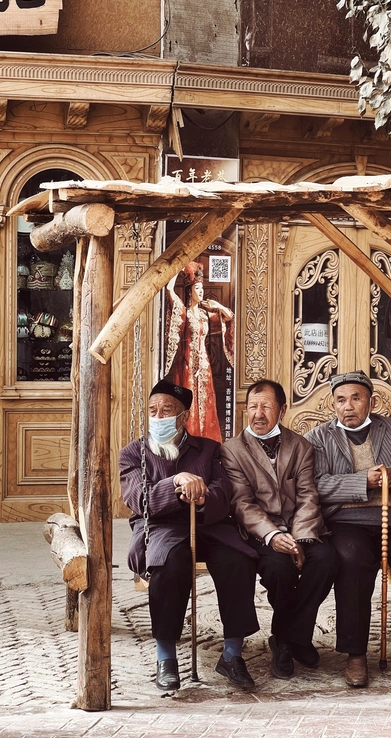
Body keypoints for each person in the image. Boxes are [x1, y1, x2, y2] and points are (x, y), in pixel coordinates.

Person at [119, 379, 259, 692]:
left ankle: (232, 654)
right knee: (171, 564)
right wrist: (175, 483)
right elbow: (140, 499)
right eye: (153, 411)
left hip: (208, 525)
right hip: (161, 528)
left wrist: (203, 495)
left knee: (238, 560)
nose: (158, 417)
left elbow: (224, 493)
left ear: (183, 417)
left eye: (166, 410)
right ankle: (166, 657)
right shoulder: (134, 453)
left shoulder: (209, 449)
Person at [304, 371, 391, 688]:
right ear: (333, 404)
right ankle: (355, 655)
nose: (348, 406)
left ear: (371, 402)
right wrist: (361, 482)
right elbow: (316, 486)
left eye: (356, 398)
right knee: (351, 562)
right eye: (341, 400)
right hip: (346, 523)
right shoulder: (319, 437)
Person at [220, 380, 337, 679]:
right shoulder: (232, 450)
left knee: (326, 561)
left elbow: (308, 495)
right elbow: (242, 503)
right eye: (253, 407)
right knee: (279, 568)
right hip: (260, 533)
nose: (258, 414)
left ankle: (288, 637)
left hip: (300, 528)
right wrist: (273, 535)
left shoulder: (301, 446)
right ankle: (291, 641)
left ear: (282, 410)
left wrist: (299, 540)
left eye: (266, 407)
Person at [164, 261, 234, 442]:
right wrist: (176, 268)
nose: (201, 292)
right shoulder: (184, 313)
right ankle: (189, 442)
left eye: (202, 288)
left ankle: (206, 442)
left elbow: (229, 317)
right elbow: (169, 290)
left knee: (206, 403)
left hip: (204, 367)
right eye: (197, 288)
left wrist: (217, 306)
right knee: (189, 404)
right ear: (190, 291)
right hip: (187, 364)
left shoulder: (204, 315)